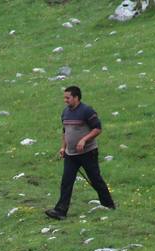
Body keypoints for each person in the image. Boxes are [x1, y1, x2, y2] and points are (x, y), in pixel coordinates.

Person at [46, 86, 115, 220]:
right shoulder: (65, 112)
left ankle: (108, 204)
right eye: (64, 97)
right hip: (70, 154)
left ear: (76, 97)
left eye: (68, 97)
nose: (65, 100)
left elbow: (97, 129)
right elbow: (65, 131)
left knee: (95, 179)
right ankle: (60, 211)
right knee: (66, 181)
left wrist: (84, 140)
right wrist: (63, 147)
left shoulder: (86, 111)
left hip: (87, 153)